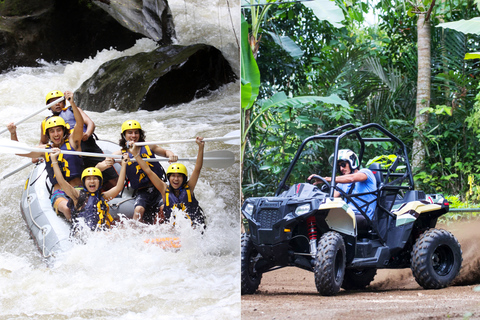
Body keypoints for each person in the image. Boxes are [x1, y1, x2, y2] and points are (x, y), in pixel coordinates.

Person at [7, 95, 84, 221]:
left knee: (82, 206)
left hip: (78, 189)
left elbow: (80, 124)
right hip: (60, 193)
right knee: (67, 209)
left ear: (64, 131)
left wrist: (72, 103)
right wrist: (13, 133)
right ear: (48, 134)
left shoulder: (73, 143)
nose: (56, 134)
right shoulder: (45, 150)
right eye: (52, 131)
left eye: (58, 130)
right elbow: (19, 151)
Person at [99, 120, 178, 224]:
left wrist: (171, 155)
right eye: (130, 133)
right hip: (142, 191)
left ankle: (161, 230)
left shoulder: (149, 146)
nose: (133, 135)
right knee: (138, 210)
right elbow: (100, 167)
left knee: (164, 207)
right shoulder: (120, 154)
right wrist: (106, 163)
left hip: (159, 187)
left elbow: (165, 152)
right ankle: (135, 233)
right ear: (124, 135)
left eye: (136, 132)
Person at [41, 90, 119, 190]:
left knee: (111, 177)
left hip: (87, 145)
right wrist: (41, 155)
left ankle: (115, 193)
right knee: (84, 177)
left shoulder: (74, 110)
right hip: (71, 151)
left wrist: (87, 134)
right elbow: (43, 142)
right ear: (48, 106)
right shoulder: (46, 122)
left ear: (64, 101)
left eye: (59, 101)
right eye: (53, 101)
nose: (57, 104)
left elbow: (90, 123)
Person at [128, 137, 206, 228]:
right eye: (173, 176)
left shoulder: (189, 187)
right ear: (169, 177)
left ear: (184, 178)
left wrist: (201, 147)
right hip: (174, 229)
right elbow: (148, 171)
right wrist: (135, 154)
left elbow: (197, 168)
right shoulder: (164, 189)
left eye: (179, 176)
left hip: (193, 228)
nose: (176, 179)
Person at [50, 148, 129, 231]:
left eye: (95, 178)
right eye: (88, 179)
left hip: (97, 234)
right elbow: (62, 182)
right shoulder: (77, 195)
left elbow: (119, 187)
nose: (92, 181)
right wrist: (54, 160)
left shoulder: (102, 197)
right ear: (84, 182)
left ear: (100, 182)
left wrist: (124, 165)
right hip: (82, 234)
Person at [308, 149, 377, 223]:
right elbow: (330, 199)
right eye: (339, 166)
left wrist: (326, 178)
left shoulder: (366, 172)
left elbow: (351, 178)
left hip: (362, 215)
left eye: (343, 165)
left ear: (352, 162)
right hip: (346, 213)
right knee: (315, 216)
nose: (341, 169)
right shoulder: (342, 183)